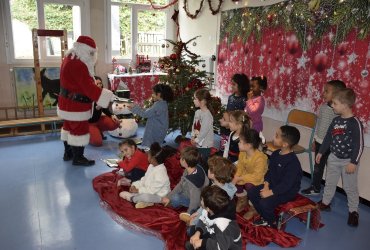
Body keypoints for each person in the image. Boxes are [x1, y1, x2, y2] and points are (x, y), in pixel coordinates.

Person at [58, 36, 116, 166]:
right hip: (75, 105)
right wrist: (108, 96)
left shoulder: (69, 58)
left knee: (68, 127)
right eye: (91, 53)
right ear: (84, 50)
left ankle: (68, 153)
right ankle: (78, 157)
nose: (92, 56)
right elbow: (88, 87)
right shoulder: (78, 64)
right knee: (79, 130)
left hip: (66, 103)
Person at [316, 88, 364, 227]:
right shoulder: (336, 120)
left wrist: (353, 162)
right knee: (330, 182)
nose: (332, 106)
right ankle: (325, 203)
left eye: (335, 103)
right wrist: (321, 152)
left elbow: (359, 145)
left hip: (348, 161)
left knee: (350, 187)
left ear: (345, 105)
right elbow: (328, 137)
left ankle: (353, 211)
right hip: (333, 158)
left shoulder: (355, 123)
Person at [248, 125, 302, 227]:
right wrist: (266, 186)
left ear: (285, 144)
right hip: (273, 185)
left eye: (277, 136)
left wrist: (270, 193)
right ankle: (265, 216)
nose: (273, 137)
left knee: (265, 203)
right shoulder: (276, 153)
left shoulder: (293, 163)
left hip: (286, 191)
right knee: (252, 192)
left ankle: (273, 222)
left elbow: (286, 185)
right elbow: (269, 172)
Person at [301, 80, 346, 195]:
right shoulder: (323, 107)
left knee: (331, 170)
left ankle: (328, 193)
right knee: (318, 167)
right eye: (324, 91)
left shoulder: (338, 112)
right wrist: (315, 140)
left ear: (337, 94)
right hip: (320, 143)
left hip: (332, 146)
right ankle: (315, 188)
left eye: (327, 91)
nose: (323, 93)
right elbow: (319, 125)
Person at [180, 156, 237, 234]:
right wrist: (197, 213)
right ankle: (193, 217)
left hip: (214, 220)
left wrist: (193, 222)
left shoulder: (215, 194)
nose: (208, 170)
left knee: (190, 231)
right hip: (211, 211)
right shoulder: (223, 184)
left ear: (214, 174)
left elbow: (206, 212)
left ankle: (194, 225)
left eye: (210, 169)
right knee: (195, 211)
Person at [185, 185, 242, 250]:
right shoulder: (210, 209)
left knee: (195, 238)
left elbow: (221, 247)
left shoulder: (223, 225)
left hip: (226, 246)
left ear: (208, 208)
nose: (200, 202)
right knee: (191, 231)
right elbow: (203, 220)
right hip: (214, 233)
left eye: (202, 200)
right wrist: (198, 233)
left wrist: (202, 242)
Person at [119, 142, 171, 209]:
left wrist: (138, 190)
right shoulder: (151, 165)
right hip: (148, 190)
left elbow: (152, 191)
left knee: (145, 197)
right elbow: (144, 179)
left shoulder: (161, 174)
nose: (147, 155)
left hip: (159, 195)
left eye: (148, 154)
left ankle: (132, 198)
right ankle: (146, 202)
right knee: (135, 187)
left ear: (153, 159)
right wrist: (135, 185)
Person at [162, 146, 209, 214]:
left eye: (181, 158)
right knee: (172, 194)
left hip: (195, 200)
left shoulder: (193, 182)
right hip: (187, 192)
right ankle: (170, 200)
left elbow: (195, 201)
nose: (179, 159)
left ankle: (172, 205)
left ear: (185, 162)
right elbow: (180, 185)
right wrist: (168, 196)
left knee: (176, 197)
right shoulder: (193, 167)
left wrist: (189, 214)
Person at [233, 128, 268, 219]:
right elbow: (240, 167)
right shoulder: (242, 153)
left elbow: (257, 176)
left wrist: (240, 178)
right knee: (235, 176)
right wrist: (236, 176)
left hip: (258, 179)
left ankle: (254, 207)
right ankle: (242, 199)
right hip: (247, 174)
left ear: (248, 145)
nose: (238, 143)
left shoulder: (260, 158)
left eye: (240, 142)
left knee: (249, 185)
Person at [218, 73, 249, 153]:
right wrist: (226, 121)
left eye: (234, 84)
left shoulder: (244, 99)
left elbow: (243, 116)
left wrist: (229, 122)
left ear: (241, 86)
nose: (231, 86)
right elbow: (227, 111)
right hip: (228, 126)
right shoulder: (231, 97)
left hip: (236, 127)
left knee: (233, 149)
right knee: (224, 148)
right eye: (231, 84)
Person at [88, 76, 120, 147]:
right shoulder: (88, 95)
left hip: (98, 120)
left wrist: (112, 115)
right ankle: (88, 135)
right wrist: (96, 108)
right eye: (97, 84)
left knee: (116, 123)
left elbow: (105, 109)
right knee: (97, 142)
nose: (100, 85)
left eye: (100, 83)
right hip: (89, 123)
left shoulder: (103, 93)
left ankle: (98, 131)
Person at [191, 88, 214, 166]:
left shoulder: (207, 115)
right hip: (197, 142)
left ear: (203, 101)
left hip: (205, 145)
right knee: (197, 162)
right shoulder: (197, 112)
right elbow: (194, 126)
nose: (193, 100)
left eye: (195, 99)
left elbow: (204, 131)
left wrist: (196, 140)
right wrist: (192, 136)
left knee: (203, 163)